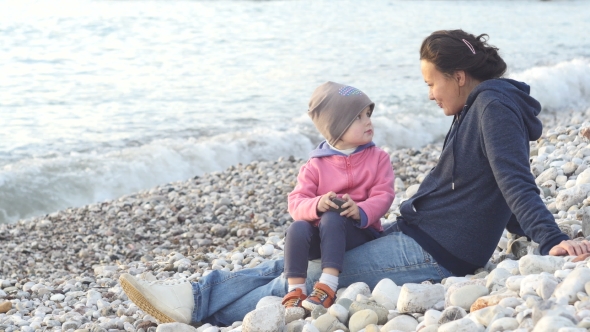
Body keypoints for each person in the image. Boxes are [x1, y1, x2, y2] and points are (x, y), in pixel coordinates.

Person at [119, 29, 590, 327]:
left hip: (436, 249)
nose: (429, 94)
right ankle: (196, 294)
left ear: (460, 76)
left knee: (305, 278)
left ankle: (202, 316)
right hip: (419, 233)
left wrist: (551, 239)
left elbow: (513, 179)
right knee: (302, 252)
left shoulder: (491, 106)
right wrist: (519, 232)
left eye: (432, 82)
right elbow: (493, 184)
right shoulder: (483, 106)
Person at [282, 82, 395, 311]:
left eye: (368, 114)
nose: (368, 121)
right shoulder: (315, 164)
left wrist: (361, 210)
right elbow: (295, 202)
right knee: (297, 228)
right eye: (358, 117)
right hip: (323, 239)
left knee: (334, 218)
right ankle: (296, 289)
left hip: (360, 232)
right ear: (336, 127)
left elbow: (384, 194)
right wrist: (318, 203)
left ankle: (328, 285)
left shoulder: (378, 158)